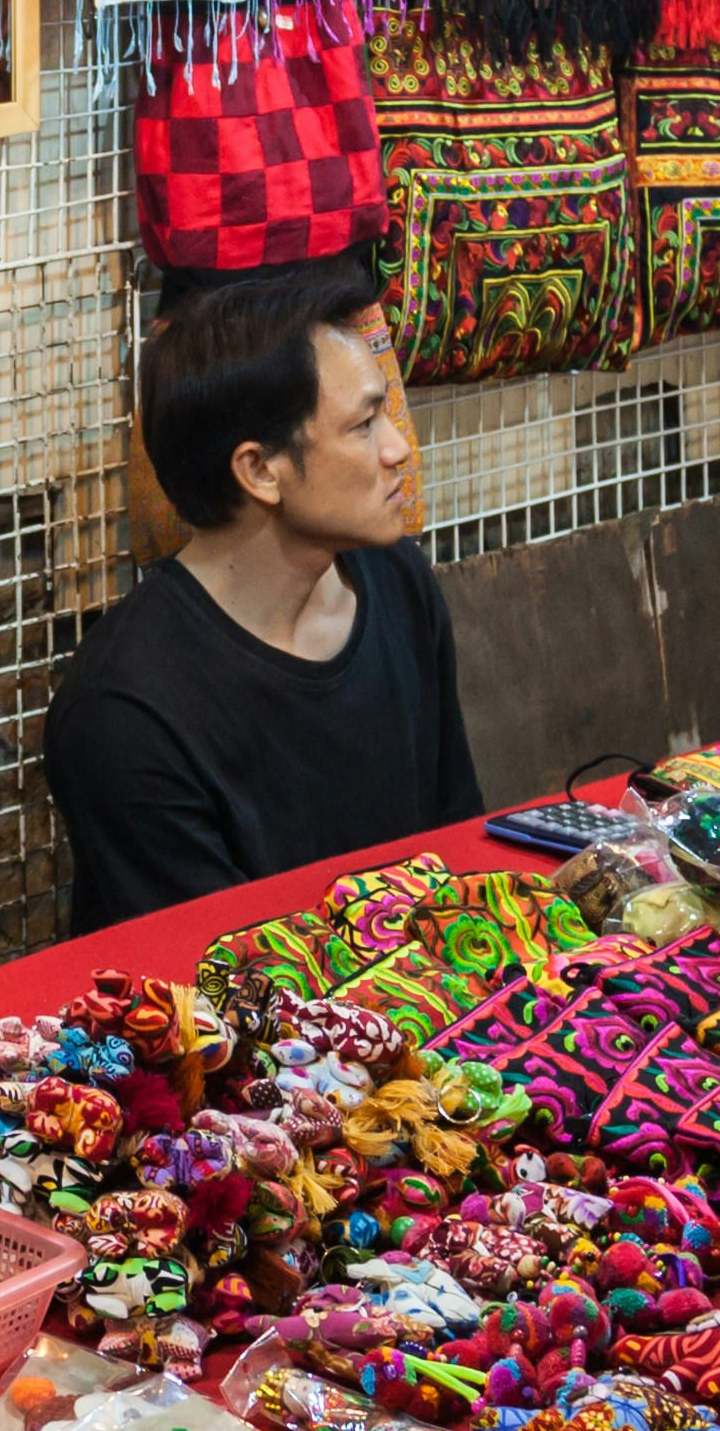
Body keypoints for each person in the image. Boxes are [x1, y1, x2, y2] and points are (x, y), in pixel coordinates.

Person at [40, 256, 482, 936]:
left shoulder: (396, 582)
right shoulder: (125, 710)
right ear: (259, 471)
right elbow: (208, 982)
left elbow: (457, 850)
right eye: (364, 426)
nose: (398, 450)